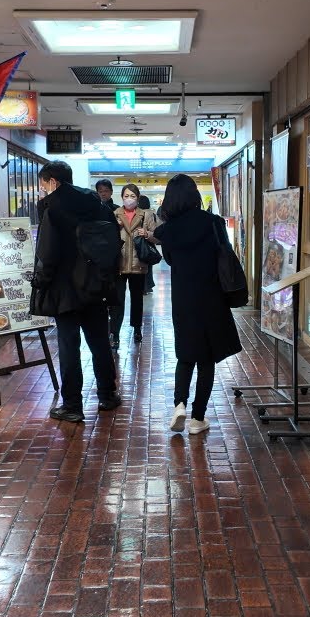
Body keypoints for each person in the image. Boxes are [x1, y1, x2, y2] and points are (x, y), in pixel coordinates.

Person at [30, 161, 121, 422]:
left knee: (69, 346)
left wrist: (40, 283)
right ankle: (107, 394)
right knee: (99, 341)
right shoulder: (97, 204)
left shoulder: (53, 209)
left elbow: (47, 253)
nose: (42, 190)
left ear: (53, 182)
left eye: (43, 185)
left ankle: (72, 405)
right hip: (95, 285)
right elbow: (113, 242)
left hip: (65, 288)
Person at [153, 174, 242, 435]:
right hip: (211, 295)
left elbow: (169, 260)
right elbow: (224, 253)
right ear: (194, 196)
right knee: (206, 359)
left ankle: (179, 404)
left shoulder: (168, 230)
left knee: (185, 354)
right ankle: (197, 419)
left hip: (183, 297)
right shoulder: (213, 223)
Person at [109, 184, 157, 348]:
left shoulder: (146, 215)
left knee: (137, 299)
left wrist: (148, 234)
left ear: (138, 197)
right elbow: (107, 239)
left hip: (138, 262)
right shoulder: (115, 214)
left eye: (133, 196)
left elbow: (157, 237)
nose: (129, 199)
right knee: (117, 301)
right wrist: (116, 228)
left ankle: (137, 329)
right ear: (121, 197)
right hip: (119, 263)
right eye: (126, 196)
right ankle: (114, 333)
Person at [138, 194, 156, 294]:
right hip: (150, 241)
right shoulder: (152, 213)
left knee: (142, 266)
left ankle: (144, 287)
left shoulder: (140, 213)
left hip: (141, 242)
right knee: (149, 265)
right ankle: (148, 285)